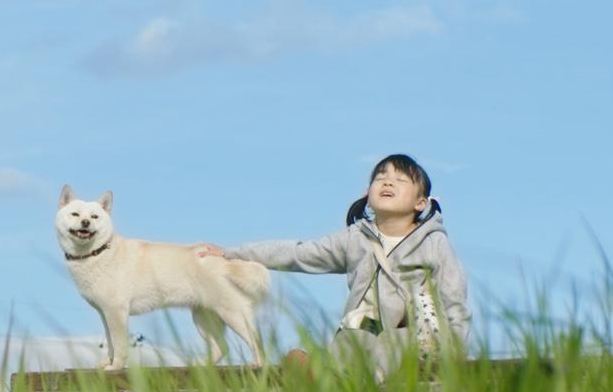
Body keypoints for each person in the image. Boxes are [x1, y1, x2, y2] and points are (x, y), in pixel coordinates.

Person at [198, 153, 470, 379]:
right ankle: (327, 377)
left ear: (420, 202)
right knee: (353, 331)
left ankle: (361, 381)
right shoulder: (356, 239)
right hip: (365, 328)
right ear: (368, 193)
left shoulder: (434, 242)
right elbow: (299, 253)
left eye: (400, 179)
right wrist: (233, 253)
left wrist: (455, 351)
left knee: (395, 338)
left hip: (415, 333)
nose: (388, 182)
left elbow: (453, 298)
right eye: (380, 178)